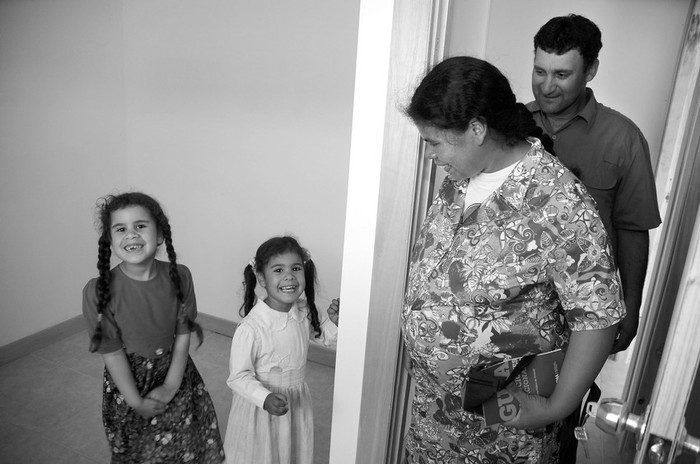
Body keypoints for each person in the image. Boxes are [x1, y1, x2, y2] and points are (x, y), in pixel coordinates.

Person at [401, 56, 624, 463]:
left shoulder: (558, 202)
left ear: (477, 128)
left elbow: (598, 317)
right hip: (434, 419)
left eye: (434, 141)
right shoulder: (459, 181)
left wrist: (557, 406)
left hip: (501, 435)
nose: (430, 154)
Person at [528, 14, 661, 354]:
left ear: (590, 71)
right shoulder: (508, 127)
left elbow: (632, 230)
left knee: (561, 406)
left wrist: (631, 309)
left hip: (581, 316)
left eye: (562, 74)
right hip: (509, 309)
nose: (546, 86)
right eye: (540, 71)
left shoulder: (624, 139)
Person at [82, 192, 225, 463]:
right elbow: (111, 353)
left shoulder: (180, 276)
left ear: (159, 235)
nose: (131, 235)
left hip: (177, 374)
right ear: (109, 241)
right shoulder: (98, 292)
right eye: (121, 229)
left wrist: (171, 386)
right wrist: (135, 401)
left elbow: (183, 334)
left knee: (186, 446)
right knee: (138, 451)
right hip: (129, 385)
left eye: (140, 226)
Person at [223, 236, 339, 464]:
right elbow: (238, 377)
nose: (289, 276)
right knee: (260, 454)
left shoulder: (305, 311)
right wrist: (264, 397)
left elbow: (329, 339)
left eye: (296, 268)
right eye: (278, 269)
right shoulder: (251, 328)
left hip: (295, 401)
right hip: (261, 408)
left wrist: (335, 322)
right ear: (261, 278)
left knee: (289, 451)